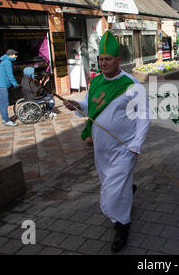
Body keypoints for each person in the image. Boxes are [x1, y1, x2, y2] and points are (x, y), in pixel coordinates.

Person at [63, 31, 150, 253]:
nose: (103, 63)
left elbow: (144, 117)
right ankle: (127, 191)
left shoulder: (132, 86)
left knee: (111, 193)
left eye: (108, 59)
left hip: (125, 147)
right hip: (101, 148)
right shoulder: (96, 82)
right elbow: (89, 107)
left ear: (118, 60)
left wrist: (136, 145)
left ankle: (122, 226)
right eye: (101, 59)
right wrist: (77, 106)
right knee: (109, 182)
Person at [0, 49, 20, 126]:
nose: (16, 56)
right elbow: (10, 75)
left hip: (1, 85)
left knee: (2, 103)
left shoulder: (4, 61)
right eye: (14, 54)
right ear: (10, 55)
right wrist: (15, 84)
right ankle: (6, 120)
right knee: (4, 103)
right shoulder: (7, 62)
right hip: (2, 86)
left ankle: (4, 118)